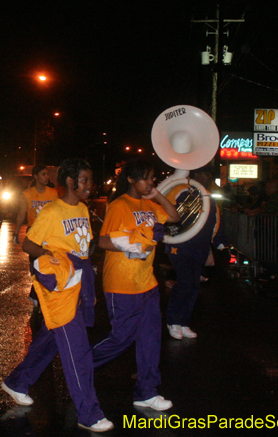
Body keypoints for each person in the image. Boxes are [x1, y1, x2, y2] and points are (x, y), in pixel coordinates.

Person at [1, 159, 113, 432]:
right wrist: (50, 255)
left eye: (90, 180)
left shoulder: (84, 209)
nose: (90, 185)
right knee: (78, 352)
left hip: (81, 282)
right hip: (61, 288)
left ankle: (17, 382)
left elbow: (83, 248)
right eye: (85, 180)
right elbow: (29, 243)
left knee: (50, 340)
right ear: (71, 182)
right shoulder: (52, 211)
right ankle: (89, 413)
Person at [92, 157, 179, 411]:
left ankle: (147, 392)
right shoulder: (119, 205)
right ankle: (81, 365)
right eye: (147, 177)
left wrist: (158, 195)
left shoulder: (150, 204)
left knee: (151, 338)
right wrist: (134, 241)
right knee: (122, 338)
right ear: (131, 179)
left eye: (153, 177)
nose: (151, 181)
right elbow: (104, 241)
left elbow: (173, 216)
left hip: (147, 283)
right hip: (122, 284)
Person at [164, 164, 228, 340]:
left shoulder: (209, 197)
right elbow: (164, 213)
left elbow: (216, 221)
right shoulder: (179, 190)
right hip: (180, 246)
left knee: (193, 286)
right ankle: (173, 321)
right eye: (206, 174)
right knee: (185, 283)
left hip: (199, 247)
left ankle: (184, 322)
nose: (208, 178)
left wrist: (220, 242)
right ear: (197, 175)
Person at [14, 164, 58, 305]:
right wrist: (16, 232)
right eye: (43, 174)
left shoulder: (53, 193)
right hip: (34, 233)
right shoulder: (27, 194)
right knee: (34, 265)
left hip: (50, 234)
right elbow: (21, 214)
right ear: (36, 176)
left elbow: (58, 214)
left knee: (49, 262)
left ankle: (38, 293)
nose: (47, 177)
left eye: (47, 174)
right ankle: (36, 292)